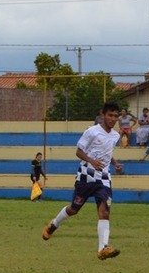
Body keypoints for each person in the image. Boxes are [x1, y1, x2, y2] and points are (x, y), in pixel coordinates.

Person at [41, 100, 124, 260]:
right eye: (110, 115)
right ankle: (54, 224)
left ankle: (103, 249)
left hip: (104, 178)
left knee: (104, 212)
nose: (113, 119)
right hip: (86, 177)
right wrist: (92, 161)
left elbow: (107, 151)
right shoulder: (92, 131)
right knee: (73, 209)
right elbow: (79, 152)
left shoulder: (115, 135)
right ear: (103, 115)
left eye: (116, 116)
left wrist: (115, 163)